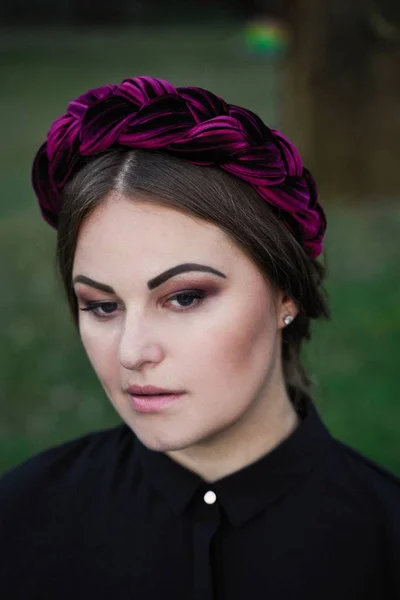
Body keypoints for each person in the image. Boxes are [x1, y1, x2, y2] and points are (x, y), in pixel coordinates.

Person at [0, 75, 399, 599]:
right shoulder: (21, 518)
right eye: (102, 306)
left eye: (184, 297)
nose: (131, 352)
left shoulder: (384, 546)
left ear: (286, 293)